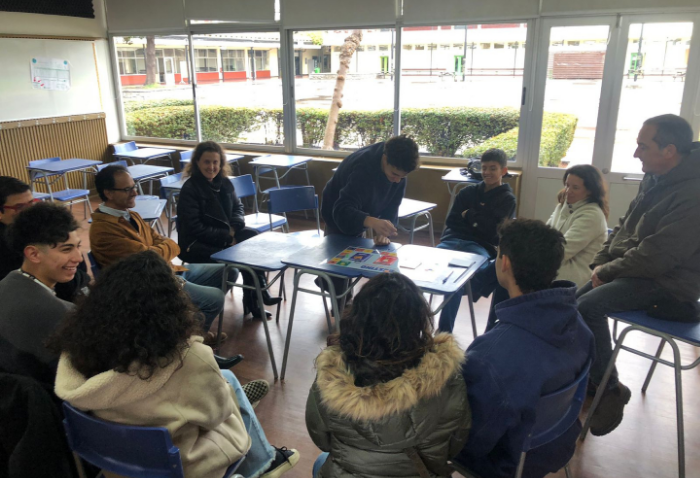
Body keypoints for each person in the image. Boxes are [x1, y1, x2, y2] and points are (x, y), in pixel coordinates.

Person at [50, 251, 299, 478]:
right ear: (168, 304)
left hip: (118, 465)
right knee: (231, 403)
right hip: (181, 466)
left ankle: (234, 397)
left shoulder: (78, 351)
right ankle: (262, 463)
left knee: (228, 379)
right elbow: (217, 416)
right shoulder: (188, 358)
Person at [577, 114, 700, 437]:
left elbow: (659, 256)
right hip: (635, 270)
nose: (636, 154)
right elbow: (624, 225)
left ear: (669, 151)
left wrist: (608, 270)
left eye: (643, 147)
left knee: (586, 308)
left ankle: (609, 390)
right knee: (567, 305)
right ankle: (588, 378)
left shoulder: (694, 193)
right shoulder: (655, 176)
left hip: (669, 282)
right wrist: (601, 262)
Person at [454, 219, 594, 478]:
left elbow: (471, 442)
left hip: (509, 462)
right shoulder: (579, 325)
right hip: (558, 441)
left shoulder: (489, 356)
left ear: (505, 263)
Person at [306, 273, 471, 478]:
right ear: (418, 320)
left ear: (356, 318)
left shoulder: (331, 378)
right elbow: (456, 442)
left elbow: (322, 440)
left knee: (321, 461)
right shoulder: (448, 378)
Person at [90, 164, 235, 344]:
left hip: (166, 272)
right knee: (214, 299)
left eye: (133, 187)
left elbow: (167, 243)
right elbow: (148, 259)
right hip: (148, 287)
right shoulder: (103, 230)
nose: (135, 192)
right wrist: (161, 249)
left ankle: (189, 328)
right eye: (127, 189)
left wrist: (160, 249)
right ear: (109, 193)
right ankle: (189, 344)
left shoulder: (131, 215)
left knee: (229, 271)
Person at [177, 141, 281, 320]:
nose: (211, 167)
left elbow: (238, 208)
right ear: (197, 163)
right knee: (243, 257)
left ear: (221, 163)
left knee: (251, 238)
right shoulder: (190, 189)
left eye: (215, 162)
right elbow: (195, 228)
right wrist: (226, 239)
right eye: (207, 162)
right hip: (196, 245)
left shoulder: (224, 183)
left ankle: (257, 293)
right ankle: (255, 299)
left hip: (224, 236)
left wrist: (234, 229)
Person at [0, 202, 82, 388]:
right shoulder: (61, 313)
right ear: (34, 254)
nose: (78, 257)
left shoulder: (5, 284)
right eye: (66, 249)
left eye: (78, 246)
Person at [436, 148, 516, 332]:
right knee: (424, 273)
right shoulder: (467, 192)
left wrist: (470, 215)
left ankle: (444, 333)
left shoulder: (507, 199)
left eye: (493, 168)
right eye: (484, 168)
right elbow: (452, 221)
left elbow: (494, 234)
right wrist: (481, 221)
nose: (487, 172)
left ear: (503, 171)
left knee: (456, 280)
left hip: (479, 248)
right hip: (450, 242)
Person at [0, 176, 89, 302]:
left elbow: (80, 269)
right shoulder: (10, 247)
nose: (30, 210)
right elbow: (66, 286)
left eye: (32, 203)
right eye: (19, 207)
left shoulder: (43, 225)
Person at [321, 135, 420, 245]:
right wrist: (371, 221)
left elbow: (392, 205)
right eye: (394, 174)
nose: (397, 181)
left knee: (356, 248)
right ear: (384, 159)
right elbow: (342, 211)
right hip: (334, 210)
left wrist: (384, 233)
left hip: (358, 208)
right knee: (338, 248)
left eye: (403, 177)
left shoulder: (399, 168)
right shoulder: (364, 169)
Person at [546, 164, 608, 288]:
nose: (568, 191)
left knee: (515, 273)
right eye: (567, 185)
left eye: (575, 187)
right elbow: (543, 234)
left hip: (573, 278)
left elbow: (561, 252)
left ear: (590, 191)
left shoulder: (592, 215)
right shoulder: (562, 206)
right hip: (555, 268)